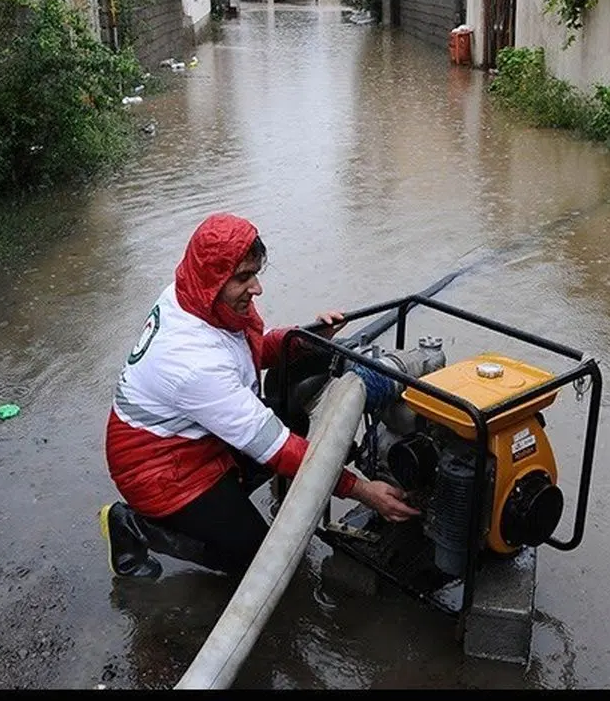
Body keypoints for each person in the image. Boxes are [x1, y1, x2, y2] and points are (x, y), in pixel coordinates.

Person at [99, 212, 419, 579]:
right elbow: (275, 445)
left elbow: (245, 353)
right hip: (160, 470)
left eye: (255, 274)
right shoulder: (191, 362)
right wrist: (360, 489)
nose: (257, 289)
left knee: (293, 423)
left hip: (197, 436)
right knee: (258, 563)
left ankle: (248, 500)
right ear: (212, 281)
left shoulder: (193, 297)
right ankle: (137, 527)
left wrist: (305, 339)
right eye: (243, 278)